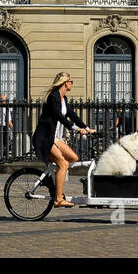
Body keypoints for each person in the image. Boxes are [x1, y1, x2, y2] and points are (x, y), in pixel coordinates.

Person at [30, 72, 94, 208]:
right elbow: (59, 116)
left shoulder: (63, 98)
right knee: (64, 164)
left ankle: (54, 178)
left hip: (55, 138)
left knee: (73, 157)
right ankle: (58, 199)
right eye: (71, 81)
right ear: (65, 82)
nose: (72, 84)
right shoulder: (53, 97)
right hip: (45, 138)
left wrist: (86, 128)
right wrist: (76, 129)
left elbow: (72, 115)